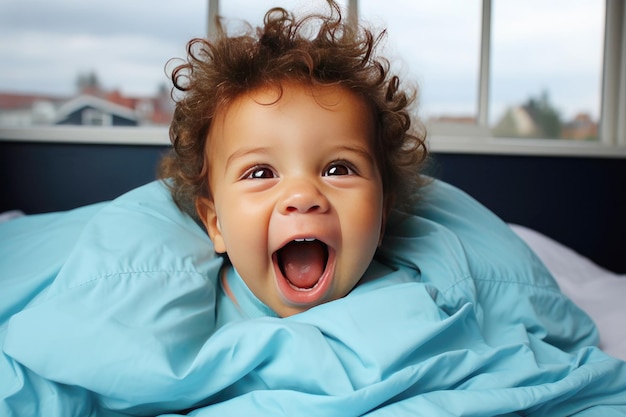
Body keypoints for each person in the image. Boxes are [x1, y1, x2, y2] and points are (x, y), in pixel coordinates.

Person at [159, 1, 428, 318]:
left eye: (338, 169)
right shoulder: (189, 316)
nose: (302, 196)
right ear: (217, 225)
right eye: (260, 174)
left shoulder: (411, 312)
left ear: (381, 216)